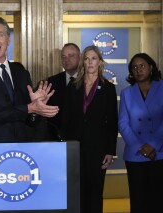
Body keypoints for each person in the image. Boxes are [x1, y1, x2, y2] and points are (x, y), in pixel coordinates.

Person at [0, 16, 58, 143]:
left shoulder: (21, 73)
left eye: (0, 35)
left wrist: (36, 109)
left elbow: (29, 120)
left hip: (22, 148)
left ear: (8, 39)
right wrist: (29, 108)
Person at [61, 45, 118, 213]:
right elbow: (66, 117)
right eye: (86, 58)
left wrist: (110, 151)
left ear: (100, 61)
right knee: (77, 191)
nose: (90, 62)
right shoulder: (73, 86)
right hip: (75, 146)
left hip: (98, 148)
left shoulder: (107, 88)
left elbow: (112, 122)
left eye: (93, 58)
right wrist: (64, 144)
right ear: (82, 62)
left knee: (95, 191)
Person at [118, 53, 163, 213]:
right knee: (138, 202)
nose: (138, 70)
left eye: (142, 66)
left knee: (158, 201)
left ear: (151, 67)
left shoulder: (162, 87)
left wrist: (153, 144)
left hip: (159, 152)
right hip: (135, 154)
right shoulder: (126, 93)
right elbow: (123, 123)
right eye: (134, 67)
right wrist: (140, 146)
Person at [47, 43, 80, 140]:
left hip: (84, 142)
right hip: (57, 140)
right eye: (63, 56)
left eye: (71, 56)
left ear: (80, 57)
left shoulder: (90, 81)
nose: (67, 60)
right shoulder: (51, 82)